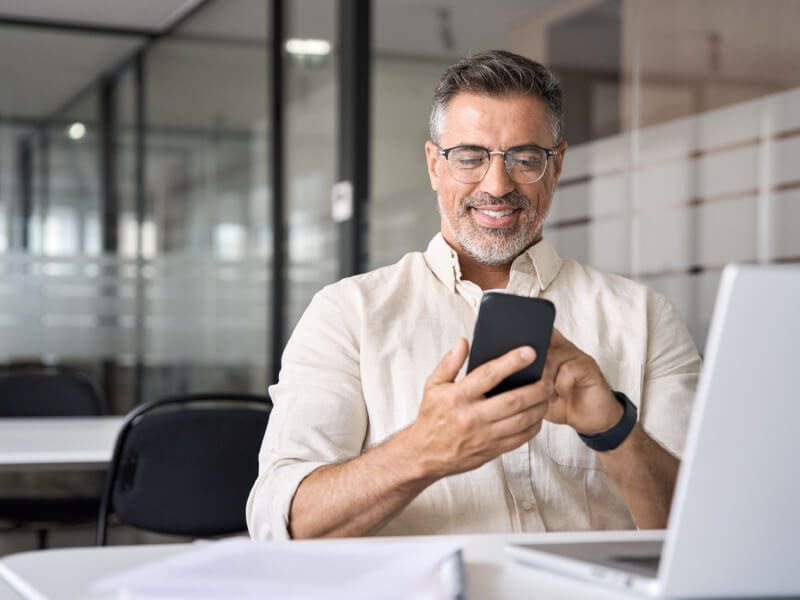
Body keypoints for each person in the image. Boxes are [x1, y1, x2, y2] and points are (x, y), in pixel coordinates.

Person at [247, 50, 701, 540]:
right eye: (469, 157)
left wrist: (614, 430)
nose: (497, 184)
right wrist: (423, 450)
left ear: (558, 165)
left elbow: (708, 529)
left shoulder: (645, 317)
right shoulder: (347, 314)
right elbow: (282, 524)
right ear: (433, 165)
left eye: (526, 158)